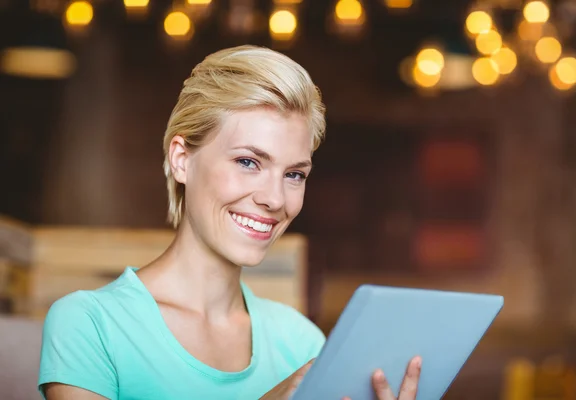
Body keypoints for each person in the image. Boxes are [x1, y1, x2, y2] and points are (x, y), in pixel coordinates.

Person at [38, 45, 422, 400]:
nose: (274, 198)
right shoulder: (90, 324)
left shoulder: (301, 342)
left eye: (294, 174)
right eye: (248, 162)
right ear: (181, 159)